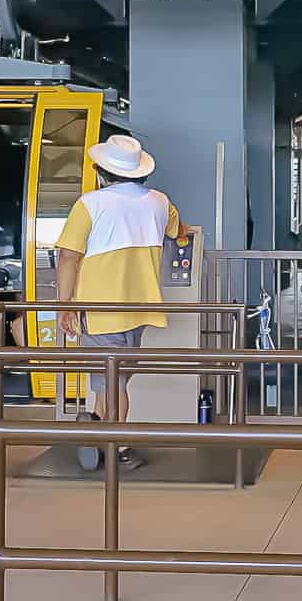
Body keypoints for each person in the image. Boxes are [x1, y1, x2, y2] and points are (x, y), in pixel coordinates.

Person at [54, 134, 183, 472]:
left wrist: (65, 304)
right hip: (141, 309)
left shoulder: (90, 204)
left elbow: (68, 256)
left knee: (111, 384)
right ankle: (98, 427)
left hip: (99, 311)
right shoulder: (159, 201)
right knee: (113, 381)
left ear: (101, 172)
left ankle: (117, 446)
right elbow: (178, 231)